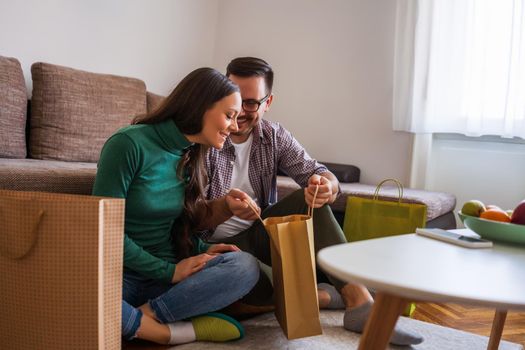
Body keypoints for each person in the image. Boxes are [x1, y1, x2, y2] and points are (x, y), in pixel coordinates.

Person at [202, 57, 423, 346]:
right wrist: (224, 208)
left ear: (268, 103)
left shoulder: (274, 135)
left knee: (310, 200)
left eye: (252, 103)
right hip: (216, 247)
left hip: (261, 235)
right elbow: (183, 217)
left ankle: (358, 302)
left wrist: (325, 186)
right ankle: (322, 295)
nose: (241, 111)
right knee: (254, 281)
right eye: (235, 99)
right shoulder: (205, 135)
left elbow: (319, 173)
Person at [92, 67, 261, 345]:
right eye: (229, 115)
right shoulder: (128, 144)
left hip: (168, 278)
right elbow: (104, 231)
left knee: (245, 266)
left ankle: (141, 318)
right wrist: (168, 271)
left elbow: (176, 224)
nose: (234, 127)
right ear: (200, 107)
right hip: (122, 276)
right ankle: (168, 332)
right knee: (69, 286)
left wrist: (200, 250)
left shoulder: (191, 153)